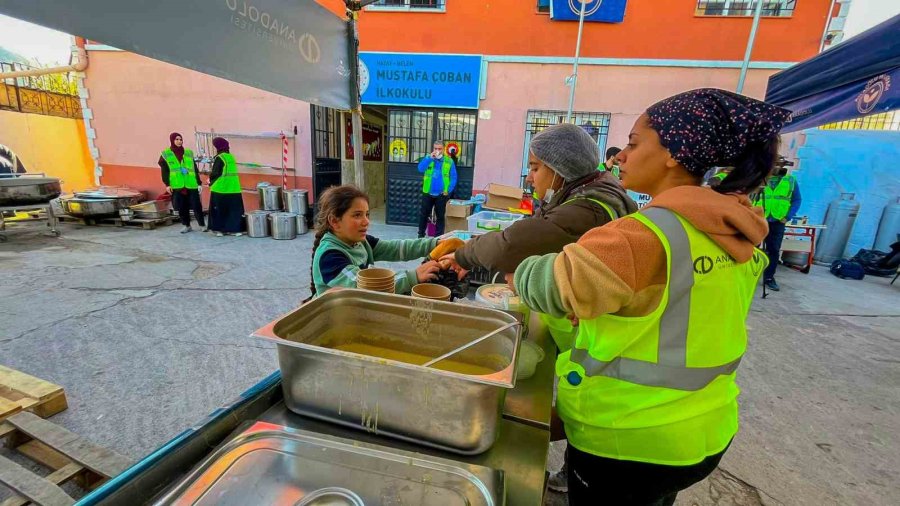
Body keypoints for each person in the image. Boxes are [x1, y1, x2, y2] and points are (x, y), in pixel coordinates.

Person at [509, 88, 788, 505]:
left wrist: (518, 273)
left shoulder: (646, 234)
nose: (621, 155)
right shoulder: (732, 228)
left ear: (673, 154)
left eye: (635, 143)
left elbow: (550, 286)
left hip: (629, 441)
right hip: (703, 430)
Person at [442, 123, 637, 353]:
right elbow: (532, 229)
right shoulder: (588, 192)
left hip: (587, 339)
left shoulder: (585, 210)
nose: (529, 178)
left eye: (535, 169)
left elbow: (512, 245)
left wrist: (464, 255)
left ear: (559, 170)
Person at [308, 185, 444, 299]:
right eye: (357, 215)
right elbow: (363, 288)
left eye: (367, 214)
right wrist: (412, 277)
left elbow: (396, 249)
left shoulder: (361, 242)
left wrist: (434, 244)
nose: (366, 221)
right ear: (334, 221)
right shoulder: (330, 257)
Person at [753, 157, 801, 291]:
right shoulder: (760, 177)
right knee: (752, 248)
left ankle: (769, 277)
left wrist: (788, 216)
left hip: (777, 221)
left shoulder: (790, 181)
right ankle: (748, 274)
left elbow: (797, 200)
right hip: (758, 219)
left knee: (773, 250)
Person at [159, 132, 205, 233]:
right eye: (176, 139)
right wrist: (167, 184)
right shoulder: (166, 154)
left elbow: (194, 169)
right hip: (177, 185)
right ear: (172, 140)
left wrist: (199, 183)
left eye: (180, 139)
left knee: (196, 205)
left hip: (191, 184)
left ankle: (202, 225)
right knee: (181, 207)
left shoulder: (188, 152)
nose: (179, 141)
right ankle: (187, 225)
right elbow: (164, 171)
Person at [417, 140, 457, 238]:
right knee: (423, 215)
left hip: (441, 194)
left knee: (440, 217)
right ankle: (420, 236)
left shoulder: (449, 161)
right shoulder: (428, 158)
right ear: (433, 149)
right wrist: (429, 158)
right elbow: (420, 169)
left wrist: (448, 190)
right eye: (435, 148)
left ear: (443, 149)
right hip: (428, 192)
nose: (437, 150)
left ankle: (438, 238)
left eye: (439, 149)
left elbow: (454, 177)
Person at [207, 137, 245, 237]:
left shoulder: (220, 158)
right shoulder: (231, 157)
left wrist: (210, 181)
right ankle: (234, 230)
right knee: (233, 211)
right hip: (233, 188)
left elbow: (215, 173)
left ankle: (219, 230)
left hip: (220, 189)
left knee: (219, 210)